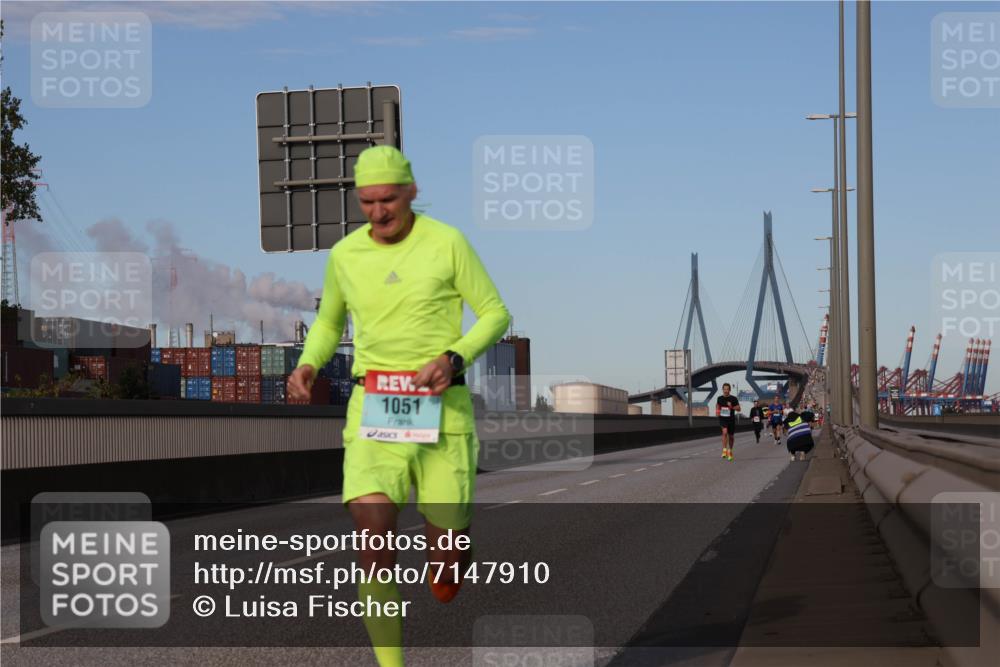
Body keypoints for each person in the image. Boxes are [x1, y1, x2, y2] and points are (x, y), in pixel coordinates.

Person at [287, 145, 510, 667]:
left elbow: (496, 314)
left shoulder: (447, 243)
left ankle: (454, 552)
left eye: (388, 199)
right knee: (370, 540)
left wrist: (453, 358)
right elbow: (327, 323)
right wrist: (307, 364)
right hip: (374, 407)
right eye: (367, 202)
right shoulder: (344, 256)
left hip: (442, 410)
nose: (379, 212)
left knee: (445, 576)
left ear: (412, 192)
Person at [716, 383, 741, 461]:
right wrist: (717, 411)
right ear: (722, 389)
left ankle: (730, 451)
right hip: (723, 419)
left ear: (729, 390)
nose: (726, 391)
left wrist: (731, 407)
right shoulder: (719, 398)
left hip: (731, 419)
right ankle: (724, 450)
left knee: (731, 436)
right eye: (724, 389)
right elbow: (718, 405)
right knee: (724, 432)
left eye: (727, 389)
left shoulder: (733, 398)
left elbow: (739, 408)